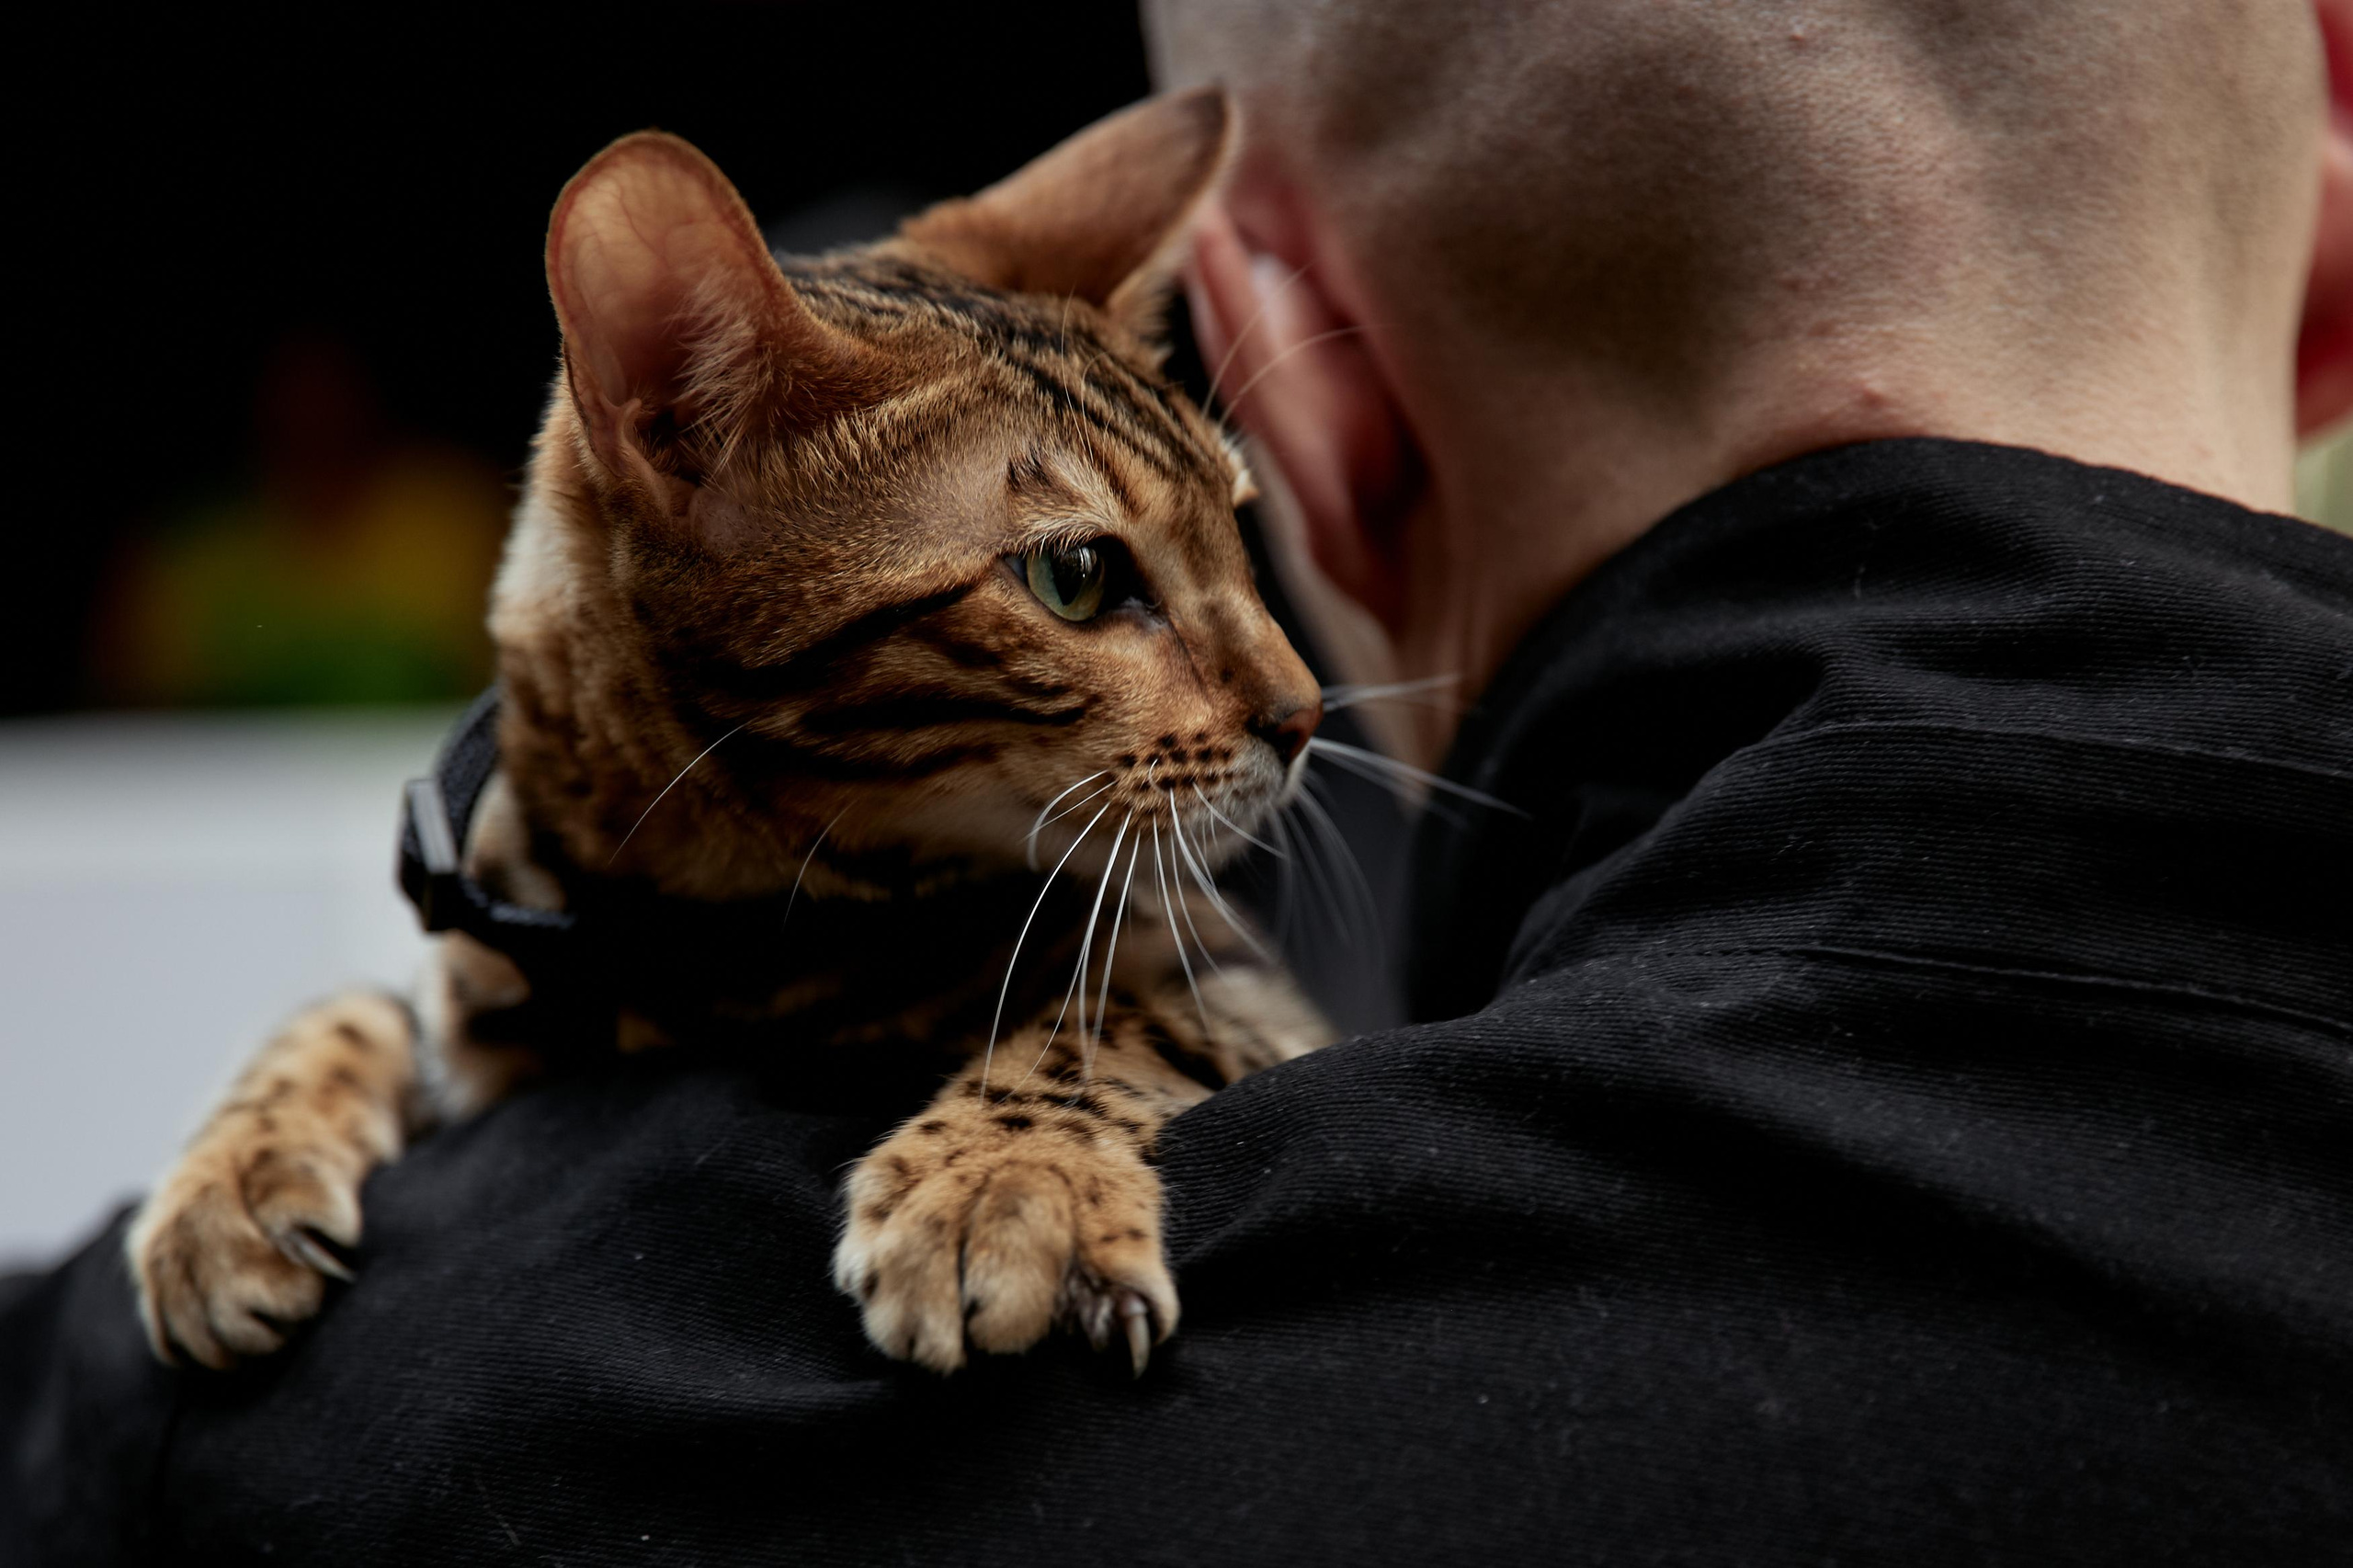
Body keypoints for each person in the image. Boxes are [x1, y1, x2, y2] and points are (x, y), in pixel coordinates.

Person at [7, 0, 2351, 1560]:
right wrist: (342, 1063)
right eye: (1089, 577)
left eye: (1218, 547)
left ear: (1309, 415)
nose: (1284, 696)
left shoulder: (259, 1459)